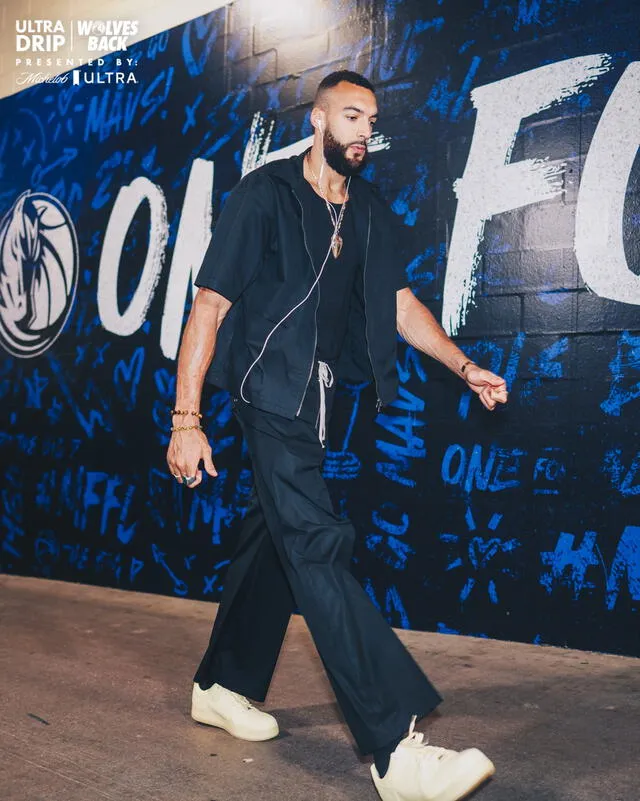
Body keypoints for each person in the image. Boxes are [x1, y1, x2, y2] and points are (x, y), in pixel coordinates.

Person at [166, 70, 508, 801]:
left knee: (275, 542)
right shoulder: (265, 195)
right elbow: (209, 305)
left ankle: (221, 685)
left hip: (315, 404)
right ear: (318, 119)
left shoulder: (367, 212)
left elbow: (397, 304)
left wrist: (465, 363)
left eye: (371, 120)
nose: (363, 131)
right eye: (350, 116)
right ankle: (396, 751)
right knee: (318, 543)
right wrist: (186, 419)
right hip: (266, 393)